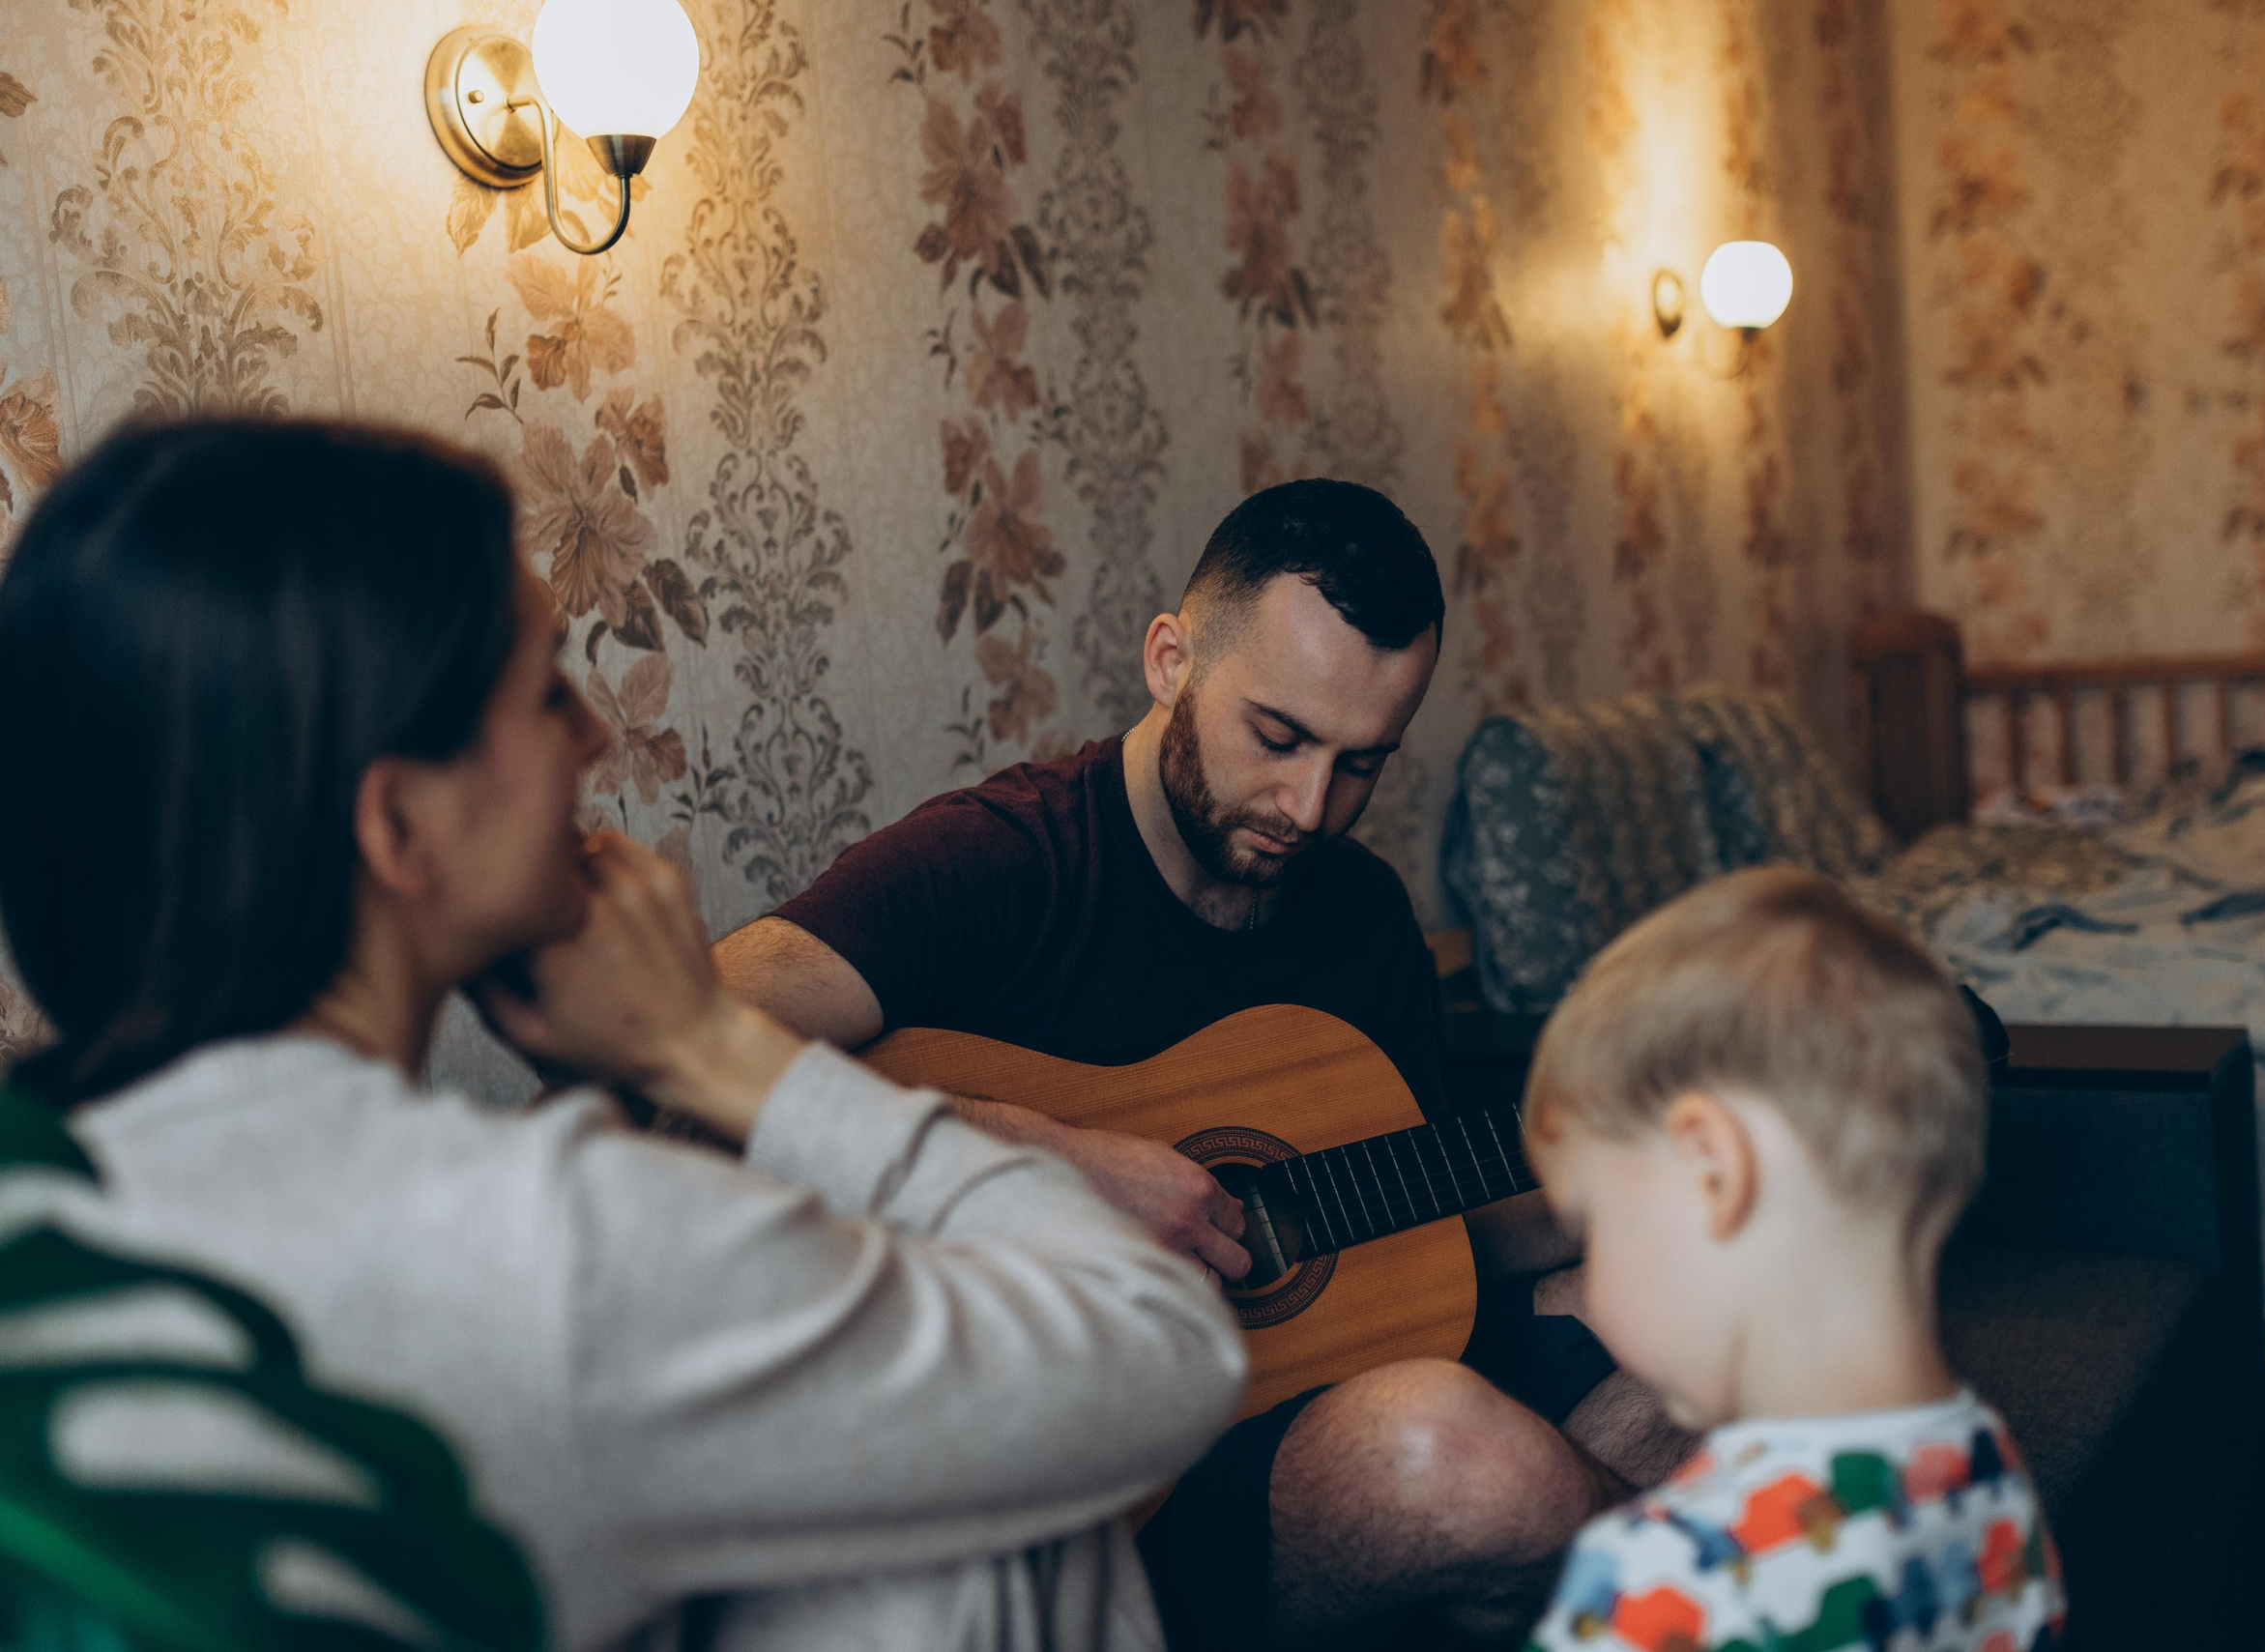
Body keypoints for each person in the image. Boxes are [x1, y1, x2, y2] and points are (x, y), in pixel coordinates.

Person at [0, 418, 1247, 1652]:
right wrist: (712, 1048)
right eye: (547, 689)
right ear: (398, 827)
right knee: (996, 1528)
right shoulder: (550, 1244)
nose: (595, 736)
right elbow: (1166, 1347)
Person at [715, 479, 1658, 1649]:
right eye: (1278, 736)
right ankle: (1727, 1589)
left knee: (1716, 1302)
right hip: (1090, 1490)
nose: (1309, 806)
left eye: (1362, 764)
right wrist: (1048, 1159)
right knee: (1453, 1448)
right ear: (1171, 660)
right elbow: (667, 1046)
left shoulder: (1362, 911)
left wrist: (1626, 1181)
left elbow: (1406, 1216)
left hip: (1302, 1397)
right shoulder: (1004, 859)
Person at [1520, 868, 2066, 1652]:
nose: (1590, 1292)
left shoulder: (1658, 1579)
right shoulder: (1991, 1469)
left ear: (1717, 1172)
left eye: (1593, 1223)